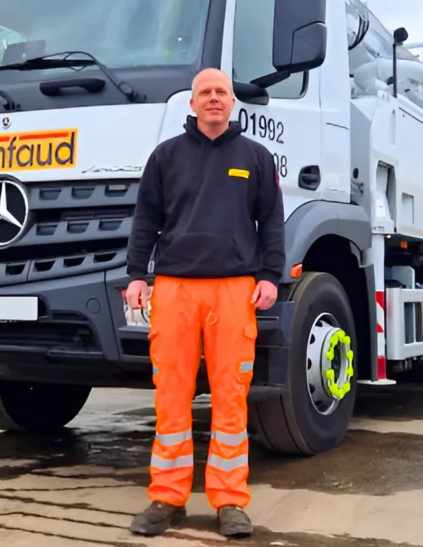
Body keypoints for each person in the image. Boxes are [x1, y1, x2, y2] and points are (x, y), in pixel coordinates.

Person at [123, 68, 285, 539]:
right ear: (191, 104)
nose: (214, 99)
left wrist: (270, 275)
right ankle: (166, 498)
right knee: (171, 395)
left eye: (222, 93)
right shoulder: (165, 156)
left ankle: (230, 500)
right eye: (205, 93)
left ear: (233, 103)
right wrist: (137, 276)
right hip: (173, 287)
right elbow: (145, 221)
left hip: (234, 290)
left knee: (230, 398)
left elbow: (271, 222)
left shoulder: (255, 157)